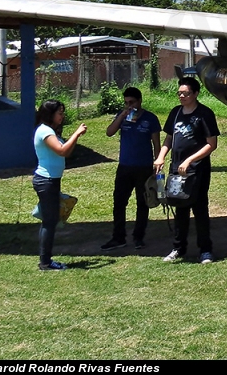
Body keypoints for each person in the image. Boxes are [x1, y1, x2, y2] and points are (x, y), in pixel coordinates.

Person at [154, 76, 219, 264]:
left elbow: (211, 144)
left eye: (186, 93)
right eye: (179, 93)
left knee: (199, 209)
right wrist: (161, 156)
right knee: (179, 208)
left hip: (197, 170)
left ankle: (205, 250)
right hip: (177, 170)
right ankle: (178, 248)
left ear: (196, 94)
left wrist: (190, 160)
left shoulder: (204, 114)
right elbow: (169, 138)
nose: (182, 96)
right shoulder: (175, 113)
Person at [101, 87, 161, 251]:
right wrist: (121, 116)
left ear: (139, 101)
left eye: (132, 102)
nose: (129, 105)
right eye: (126, 102)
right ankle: (118, 237)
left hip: (144, 167)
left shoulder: (150, 118)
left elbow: (156, 143)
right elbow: (109, 132)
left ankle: (138, 237)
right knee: (119, 202)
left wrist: (158, 163)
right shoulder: (123, 117)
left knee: (143, 203)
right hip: (125, 166)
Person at [32, 100, 88, 271]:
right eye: (60, 113)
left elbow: (67, 152)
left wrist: (74, 138)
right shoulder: (45, 131)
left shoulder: (50, 131)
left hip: (51, 180)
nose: (62, 116)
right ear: (50, 114)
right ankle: (45, 262)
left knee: (51, 219)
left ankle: (46, 260)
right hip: (46, 181)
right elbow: (62, 150)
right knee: (49, 221)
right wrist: (76, 134)